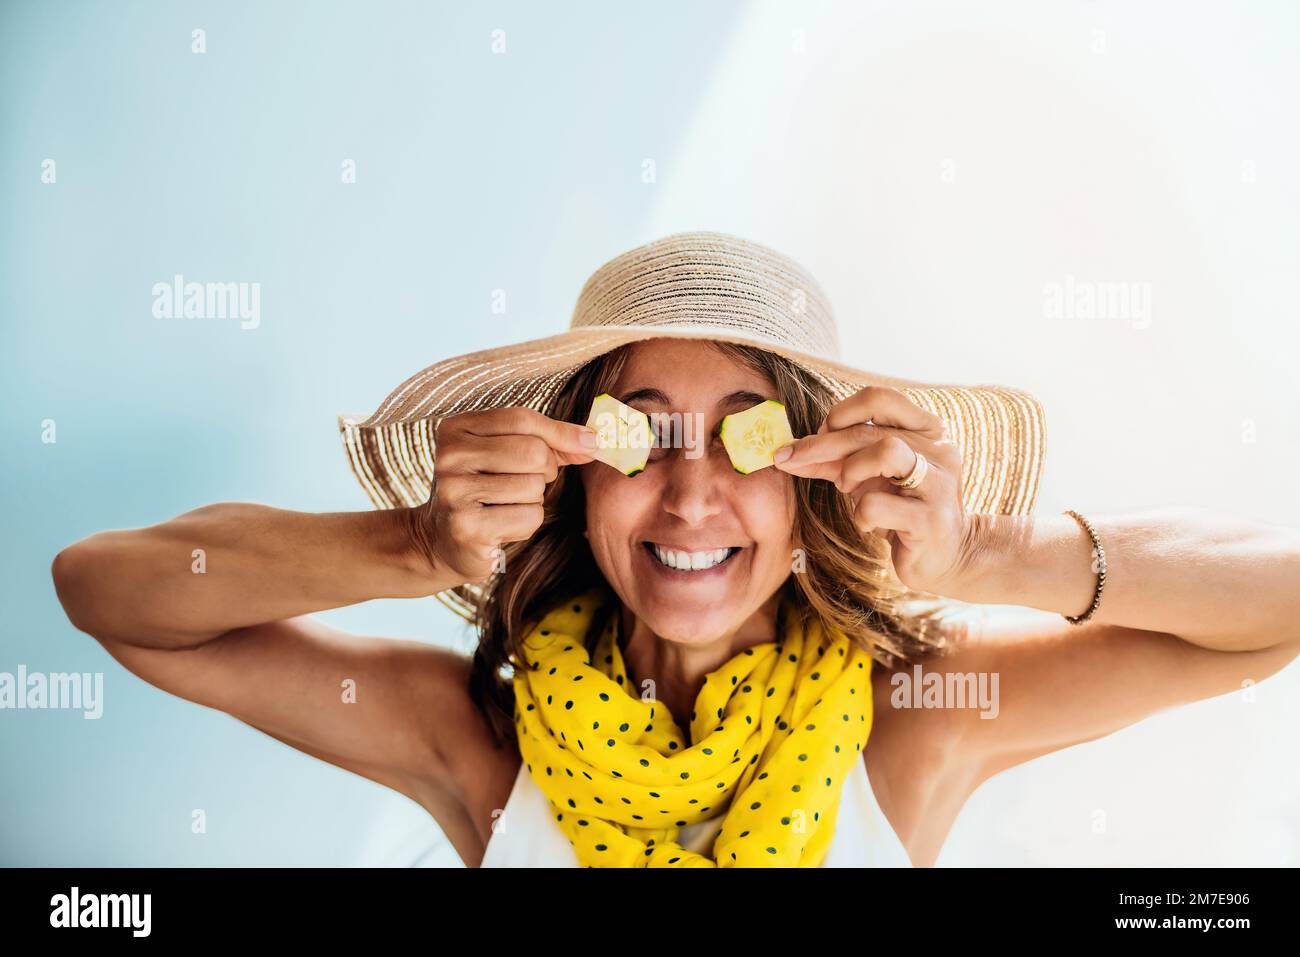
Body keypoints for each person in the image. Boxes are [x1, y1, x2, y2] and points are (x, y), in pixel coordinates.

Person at [51, 232, 1300, 867]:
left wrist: (985, 552)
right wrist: (416, 543)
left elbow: (1277, 603)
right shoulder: (479, 741)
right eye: (639, 438)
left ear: (815, 480)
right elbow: (109, 592)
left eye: (751, 442)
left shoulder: (916, 719)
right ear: (572, 473)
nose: (692, 497)